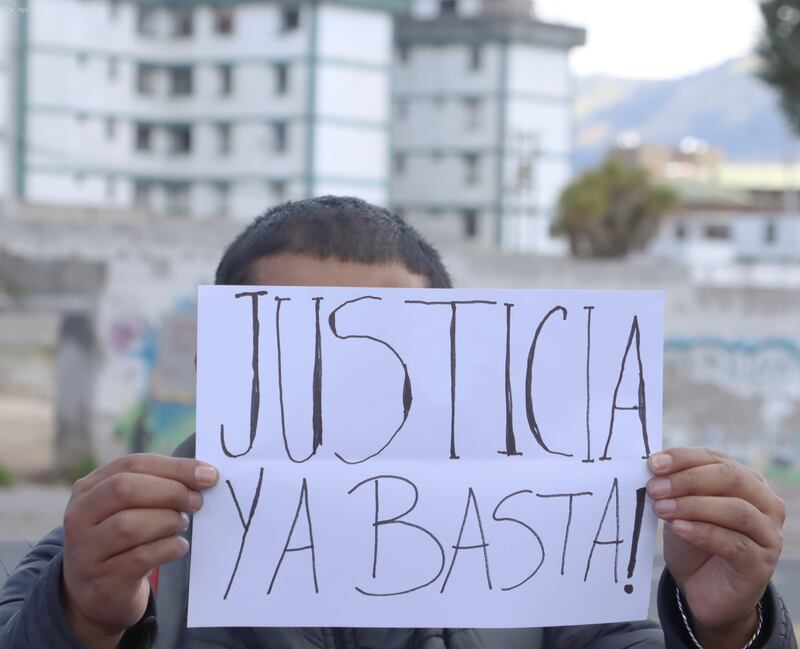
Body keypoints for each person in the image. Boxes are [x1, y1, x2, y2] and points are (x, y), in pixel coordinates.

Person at [0, 196, 794, 649]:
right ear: (232, 363)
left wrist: (724, 627)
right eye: (302, 343)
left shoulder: (551, 549)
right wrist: (82, 618)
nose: (350, 387)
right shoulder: (110, 550)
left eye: (387, 349)